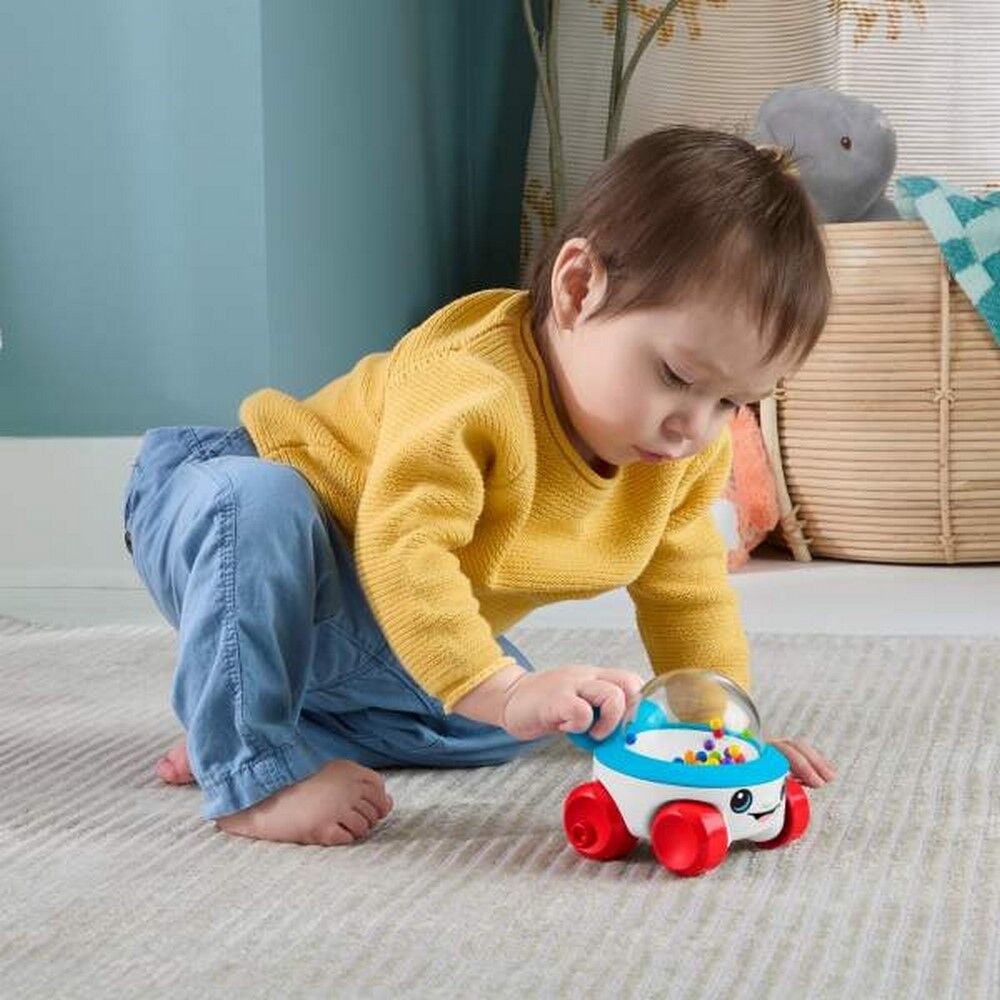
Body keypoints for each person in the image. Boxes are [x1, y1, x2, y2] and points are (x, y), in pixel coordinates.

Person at [123, 126, 837, 848]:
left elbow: (689, 595)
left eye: (730, 402)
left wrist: (723, 738)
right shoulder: (471, 387)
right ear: (578, 289)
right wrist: (499, 690)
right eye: (677, 377)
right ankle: (253, 772)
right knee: (263, 509)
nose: (693, 427)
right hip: (257, 521)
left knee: (514, 720)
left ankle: (256, 713)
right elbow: (405, 548)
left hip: (375, 625)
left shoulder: (679, 459)